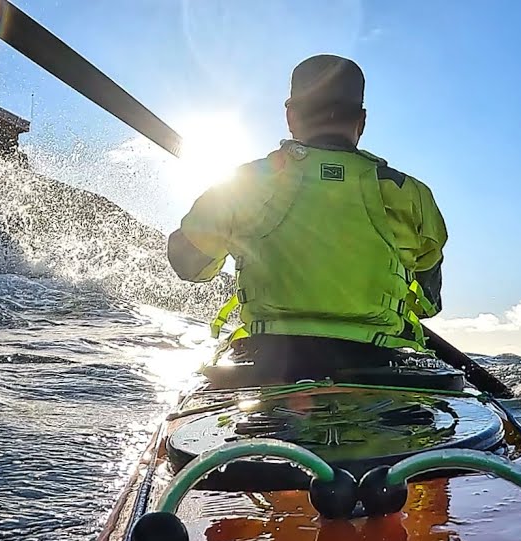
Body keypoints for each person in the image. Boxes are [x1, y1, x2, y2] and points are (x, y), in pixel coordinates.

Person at [167, 54, 447, 380]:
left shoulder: (244, 184)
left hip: (267, 363)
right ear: (362, 121)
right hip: (378, 366)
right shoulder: (411, 194)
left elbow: (189, 265)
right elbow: (428, 302)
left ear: (291, 116)